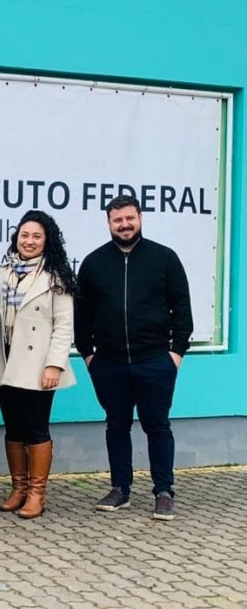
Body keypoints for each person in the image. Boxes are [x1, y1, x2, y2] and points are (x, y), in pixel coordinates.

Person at [75, 195, 193, 521]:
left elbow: (182, 308)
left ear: (140, 218)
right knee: (116, 426)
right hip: (109, 363)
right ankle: (120, 489)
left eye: (130, 218)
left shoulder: (164, 258)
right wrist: (88, 355)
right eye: (118, 220)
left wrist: (176, 353)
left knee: (158, 426)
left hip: (155, 361)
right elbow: (81, 315)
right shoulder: (94, 263)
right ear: (109, 223)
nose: (125, 225)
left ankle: (164, 491)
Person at [0, 210, 76, 519]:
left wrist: (55, 365)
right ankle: (19, 488)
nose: (29, 241)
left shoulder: (56, 277)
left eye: (37, 236)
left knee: (36, 428)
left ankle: (37, 493)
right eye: (24, 235)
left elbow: (64, 325)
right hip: (6, 360)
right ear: (16, 238)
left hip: (39, 365)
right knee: (13, 428)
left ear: (47, 240)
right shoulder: (1, 274)